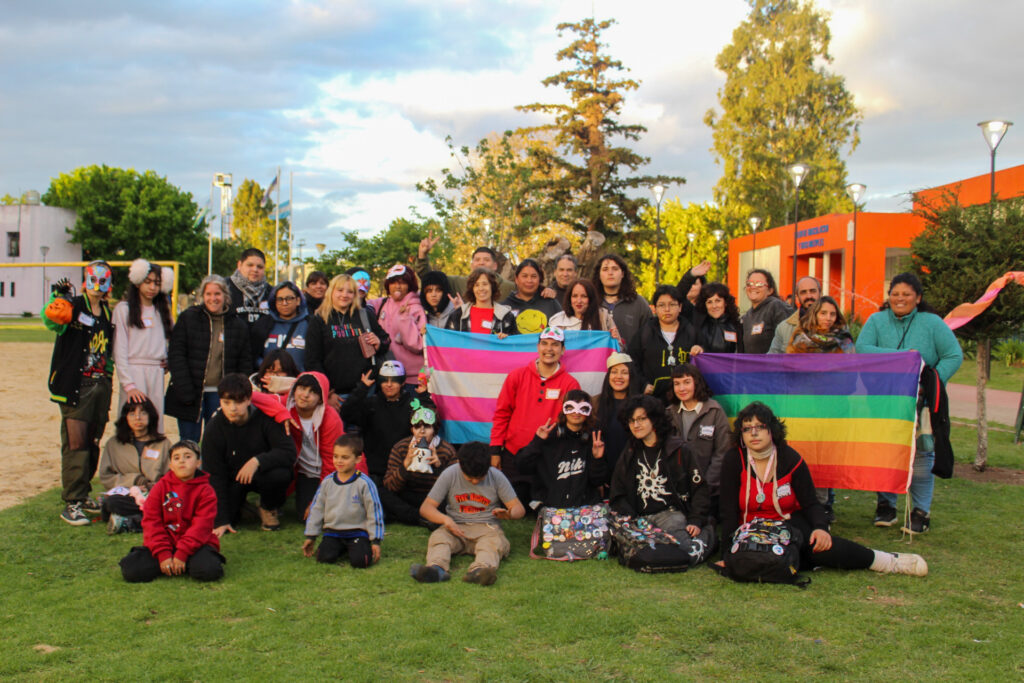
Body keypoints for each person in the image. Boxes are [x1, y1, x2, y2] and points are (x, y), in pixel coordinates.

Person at [715, 401, 927, 577]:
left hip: (788, 524)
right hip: (750, 530)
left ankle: (887, 561)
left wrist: (820, 528)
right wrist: (727, 554)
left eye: (760, 427)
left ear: (772, 430)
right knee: (765, 559)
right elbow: (728, 510)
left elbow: (810, 503)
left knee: (819, 547)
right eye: (747, 428)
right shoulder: (734, 460)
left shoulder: (790, 458)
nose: (753, 433)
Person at [856, 272, 963, 534]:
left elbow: (953, 355)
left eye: (906, 294)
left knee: (922, 454)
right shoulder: (876, 321)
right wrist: (904, 357)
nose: (900, 298)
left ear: (918, 298)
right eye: (895, 294)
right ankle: (886, 505)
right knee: (886, 451)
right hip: (884, 400)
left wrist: (932, 382)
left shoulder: (932, 323)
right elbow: (863, 348)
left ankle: (920, 512)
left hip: (922, 402)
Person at [43, 261, 115, 526]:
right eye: (93, 279)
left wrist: (108, 377)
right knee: (76, 444)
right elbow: (51, 321)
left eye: (103, 280)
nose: (98, 285)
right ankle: (72, 502)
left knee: (92, 442)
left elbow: (107, 352)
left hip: (100, 386)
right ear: (86, 280)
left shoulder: (106, 313)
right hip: (76, 386)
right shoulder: (73, 306)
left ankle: (83, 496)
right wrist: (58, 298)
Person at [609, 395, 714, 559]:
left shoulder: (679, 450)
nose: (636, 425)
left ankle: (707, 535)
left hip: (670, 515)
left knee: (686, 554)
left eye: (642, 419)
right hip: (639, 518)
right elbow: (618, 492)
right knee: (638, 554)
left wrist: (696, 520)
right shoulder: (629, 452)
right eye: (631, 421)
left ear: (655, 419)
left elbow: (700, 488)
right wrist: (631, 519)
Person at [410, 442, 526, 585]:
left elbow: (519, 509)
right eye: (470, 478)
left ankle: (480, 571)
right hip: (455, 527)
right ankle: (436, 569)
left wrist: (509, 514)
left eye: (480, 478)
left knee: (494, 544)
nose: (475, 481)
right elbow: (426, 508)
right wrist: (445, 520)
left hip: (486, 528)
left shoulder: (496, 476)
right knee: (439, 538)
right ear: (460, 465)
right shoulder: (450, 474)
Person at [250, 371, 360, 519]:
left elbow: (332, 462)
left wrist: (320, 498)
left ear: (321, 398)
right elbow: (254, 396)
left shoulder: (330, 418)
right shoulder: (288, 405)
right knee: (306, 515)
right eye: (301, 388)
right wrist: (281, 413)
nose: (305, 395)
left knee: (328, 515)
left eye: (313, 392)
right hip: (304, 472)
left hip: (330, 471)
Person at [490, 327, 581, 504]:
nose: (549, 349)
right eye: (545, 343)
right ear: (538, 347)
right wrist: (495, 451)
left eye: (555, 345)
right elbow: (501, 414)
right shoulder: (516, 376)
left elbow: (572, 424)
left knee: (544, 505)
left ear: (563, 350)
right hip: (514, 453)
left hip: (549, 458)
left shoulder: (570, 384)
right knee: (512, 503)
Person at [202, 374, 296, 535]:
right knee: (230, 519)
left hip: (263, 474)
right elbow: (214, 475)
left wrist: (257, 461)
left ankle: (268, 507)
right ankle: (242, 507)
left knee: (281, 474)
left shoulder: (267, 418)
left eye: (238, 402)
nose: (232, 408)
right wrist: (222, 519)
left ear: (248, 400)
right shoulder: (214, 428)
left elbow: (289, 452)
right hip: (233, 478)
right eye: (226, 402)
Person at [119, 440, 225, 583]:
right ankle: (170, 564)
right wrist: (163, 554)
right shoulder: (160, 487)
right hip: (165, 543)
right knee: (132, 570)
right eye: (176, 458)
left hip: (195, 546)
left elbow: (202, 526)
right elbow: (151, 522)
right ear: (171, 465)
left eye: (188, 456)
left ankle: (180, 563)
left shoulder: (206, 491)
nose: (182, 461)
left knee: (209, 570)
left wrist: (182, 553)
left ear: (198, 463)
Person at [165, 275, 252, 443]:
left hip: (221, 394)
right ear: (202, 296)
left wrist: (236, 391)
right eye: (208, 294)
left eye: (217, 294)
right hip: (190, 392)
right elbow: (176, 354)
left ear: (225, 295)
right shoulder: (188, 318)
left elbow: (244, 361)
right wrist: (184, 388)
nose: (213, 298)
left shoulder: (237, 325)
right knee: (189, 441)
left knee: (218, 441)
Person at [305, 273, 390, 410]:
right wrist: (327, 392)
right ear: (331, 291)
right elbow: (312, 360)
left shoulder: (365, 315)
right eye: (340, 290)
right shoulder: (319, 319)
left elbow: (385, 341)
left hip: (365, 390)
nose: (344, 295)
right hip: (335, 395)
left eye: (350, 291)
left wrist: (379, 343)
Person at [302, 434, 384, 568]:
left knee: (361, 561)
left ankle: (356, 548)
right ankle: (340, 548)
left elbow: (374, 512)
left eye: (345, 457)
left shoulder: (365, 483)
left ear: (358, 459)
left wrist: (375, 541)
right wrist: (311, 536)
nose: (339, 461)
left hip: (357, 533)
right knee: (323, 557)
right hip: (333, 532)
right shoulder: (327, 482)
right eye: (336, 456)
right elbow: (317, 509)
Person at [517, 390, 609, 508]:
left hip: (583, 507)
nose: (576, 412)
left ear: (589, 412)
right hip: (551, 506)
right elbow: (522, 466)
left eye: (582, 408)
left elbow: (598, 481)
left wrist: (597, 460)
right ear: (563, 409)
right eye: (571, 407)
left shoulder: (594, 439)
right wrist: (537, 442)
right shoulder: (549, 436)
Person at [112, 258, 173, 430]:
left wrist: (168, 360)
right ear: (138, 282)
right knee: (132, 420)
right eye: (148, 282)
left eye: (157, 283)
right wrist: (128, 384)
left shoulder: (162, 311)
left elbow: (171, 341)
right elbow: (119, 350)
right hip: (133, 372)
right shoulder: (124, 310)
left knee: (154, 421)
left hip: (156, 373)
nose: (152, 287)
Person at [666, 364, 731, 520]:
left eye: (687, 382)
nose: (682, 388)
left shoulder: (714, 411)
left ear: (697, 382)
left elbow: (722, 452)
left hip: (709, 492)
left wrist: (705, 486)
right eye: (677, 384)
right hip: (676, 491)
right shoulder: (668, 413)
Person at [98, 397, 172, 533]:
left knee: (174, 503)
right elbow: (106, 476)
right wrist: (134, 480)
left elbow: (172, 474)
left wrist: (154, 486)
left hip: (156, 494)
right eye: (132, 414)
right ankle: (149, 519)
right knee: (112, 503)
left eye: (143, 413)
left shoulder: (163, 443)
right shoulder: (113, 444)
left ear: (150, 416)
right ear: (125, 417)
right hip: (127, 495)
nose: (138, 418)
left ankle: (131, 522)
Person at [382, 403, 458, 526]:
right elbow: (390, 486)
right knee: (382, 493)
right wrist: (405, 466)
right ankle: (421, 517)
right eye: (417, 427)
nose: (421, 431)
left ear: (434, 429)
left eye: (427, 427)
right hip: (409, 495)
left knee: (452, 502)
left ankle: (424, 516)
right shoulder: (401, 447)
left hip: (434, 498)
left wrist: (438, 467)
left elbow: (455, 487)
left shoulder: (446, 450)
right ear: (412, 429)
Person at [627, 285, 703, 400]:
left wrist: (700, 349)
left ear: (680, 307)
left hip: (685, 399)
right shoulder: (645, 332)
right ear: (655, 309)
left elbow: (705, 362)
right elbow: (631, 361)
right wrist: (642, 384)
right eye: (662, 305)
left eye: (672, 304)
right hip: (653, 398)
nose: (667, 309)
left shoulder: (691, 332)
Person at [370, 264, 427, 385]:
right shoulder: (383, 303)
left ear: (409, 285)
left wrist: (405, 320)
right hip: (388, 376)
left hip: (413, 379)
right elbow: (360, 303)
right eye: (393, 282)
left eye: (402, 282)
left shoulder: (416, 308)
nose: (397, 286)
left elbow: (418, 345)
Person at [415, 233, 516, 300]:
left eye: (486, 260)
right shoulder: (459, 283)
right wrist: (422, 255)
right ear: (472, 265)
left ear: (495, 266)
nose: (481, 263)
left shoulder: (509, 287)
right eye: (477, 260)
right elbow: (431, 279)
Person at [592, 352, 644, 477]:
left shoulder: (642, 404)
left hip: (635, 473)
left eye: (624, 372)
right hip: (603, 472)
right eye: (614, 372)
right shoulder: (595, 403)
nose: (618, 377)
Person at [591, 253, 651, 349]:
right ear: (599, 275)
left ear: (622, 274)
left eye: (615, 269)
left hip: (629, 357)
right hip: (597, 357)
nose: (610, 273)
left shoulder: (638, 303)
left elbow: (649, 337)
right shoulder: (590, 303)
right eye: (605, 269)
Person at [250, 281, 310, 371]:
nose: (284, 303)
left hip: (300, 378)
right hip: (269, 377)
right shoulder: (263, 324)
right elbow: (253, 355)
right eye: (280, 299)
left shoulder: (309, 324)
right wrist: (268, 368)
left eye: (289, 298)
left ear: (298, 300)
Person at [445, 268, 516, 337]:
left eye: (485, 284)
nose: (481, 288)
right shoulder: (458, 315)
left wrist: (507, 339)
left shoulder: (506, 316)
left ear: (492, 287)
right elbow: (447, 341)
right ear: (472, 289)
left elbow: (515, 342)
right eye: (476, 285)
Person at [501, 259, 562, 334]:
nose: (529, 280)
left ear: (539, 279)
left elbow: (562, 331)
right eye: (524, 276)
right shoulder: (504, 307)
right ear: (516, 279)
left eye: (534, 276)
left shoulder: (550, 303)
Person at [547, 279, 618, 343]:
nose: (579, 301)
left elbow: (618, 347)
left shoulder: (603, 317)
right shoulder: (558, 321)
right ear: (569, 298)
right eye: (575, 296)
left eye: (584, 296)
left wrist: (614, 339)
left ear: (591, 298)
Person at [740, 268, 793, 355]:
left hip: (773, 362)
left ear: (770, 290)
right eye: (749, 284)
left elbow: (787, 341)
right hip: (752, 364)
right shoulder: (746, 317)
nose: (753, 287)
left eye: (759, 284)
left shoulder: (776, 307)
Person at [769, 276, 822, 354]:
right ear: (797, 298)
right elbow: (772, 358)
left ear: (820, 294)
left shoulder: (835, 324)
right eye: (803, 292)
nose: (809, 296)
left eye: (813, 291)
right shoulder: (784, 328)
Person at [787, 295, 854, 354]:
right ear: (815, 315)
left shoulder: (843, 338)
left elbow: (851, 361)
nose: (828, 318)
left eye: (832, 314)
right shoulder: (801, 338)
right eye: (823, 313)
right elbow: (793, 362)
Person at [691, 283, 744, 354]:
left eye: (718, 301)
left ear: (725, 302)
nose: (714, 306)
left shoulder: (737, 326)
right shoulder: (698, 326)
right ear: (705, 305)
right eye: (709, 302)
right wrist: (698, 349)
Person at [227, 248, 272, 327]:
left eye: (260, 267)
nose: (255, 270)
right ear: (239, 265)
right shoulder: (224, 287)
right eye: (250, 265)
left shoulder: (271, 292)